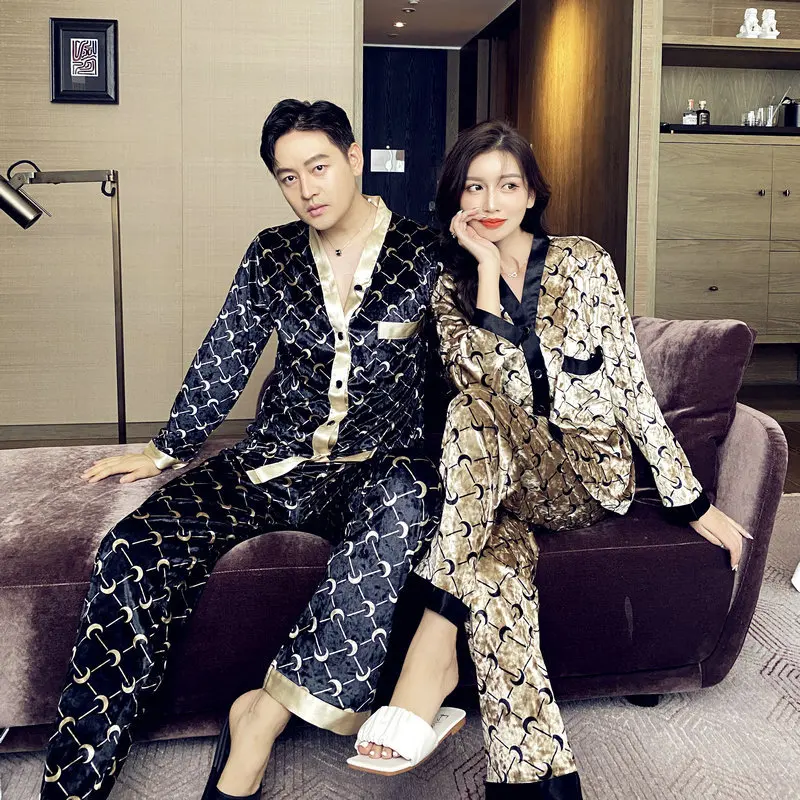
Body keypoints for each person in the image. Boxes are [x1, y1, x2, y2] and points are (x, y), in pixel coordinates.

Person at [39, 99, 444, 800]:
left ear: (353, 158)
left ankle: (260, 719)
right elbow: (227, 352)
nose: (306, 189)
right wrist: (166, 449)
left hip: (374, 469)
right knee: (131, 548)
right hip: (270, 460)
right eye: (288, 177)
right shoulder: (272, 253)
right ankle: (73, 787)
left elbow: (459, 367)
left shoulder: (425, 254)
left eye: (319, 167)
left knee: (406, 498)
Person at [349, 120, 751, 799]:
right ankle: (536, 781)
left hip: (586, 474)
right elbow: (480, 385)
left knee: (471, 421)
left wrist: (690, 500)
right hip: (497, 480)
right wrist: (483, 273)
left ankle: (430, 650)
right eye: (474, 187)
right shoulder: (448, 288)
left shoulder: (583, 263)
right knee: (491, 565)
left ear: (533, 193)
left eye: (508, 185)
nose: (491, 202)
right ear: (454, 199)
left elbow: (630, 386)